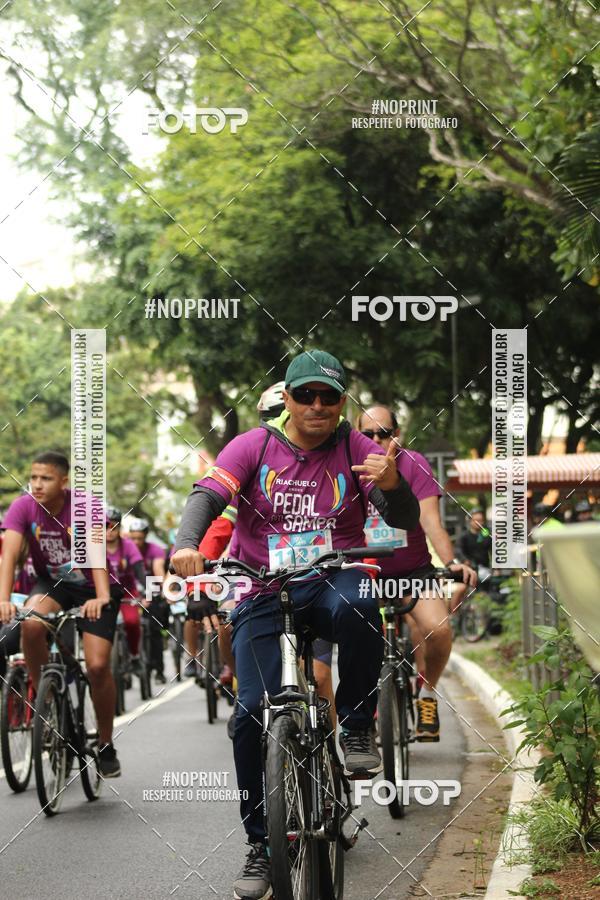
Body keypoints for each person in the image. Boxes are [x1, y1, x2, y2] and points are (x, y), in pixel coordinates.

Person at [171, 350, 420, 900]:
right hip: (261, 585)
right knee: (247, 719)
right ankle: (261, 844)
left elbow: (402, 517)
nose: (317, 406)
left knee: (362, 604)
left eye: (329, 397)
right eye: (305, 395)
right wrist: (188, 544)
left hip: (333, 576)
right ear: (286, 397)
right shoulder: (253, 445)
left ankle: (356, 726)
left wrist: (396, 484)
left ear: (340, 403)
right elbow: (208, 495)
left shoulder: (357, 447)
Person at [356, 405, 476, 742]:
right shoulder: (348, 466)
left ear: (398, 435)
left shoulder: (414, 463)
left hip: (413, 572)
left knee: (439, 631)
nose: (377, 440)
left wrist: (451, 563)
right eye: (369, 434)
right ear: (357, 435)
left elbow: (431, 522)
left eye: (385, 432)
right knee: (359, 640)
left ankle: (426, 693)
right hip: (365, 575)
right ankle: (368, 707)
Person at [0, 452, 124, 776]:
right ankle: (48, 703)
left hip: (92, 585)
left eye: (46, 478)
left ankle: (107, 745)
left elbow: (97, 557)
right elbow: (9, 556)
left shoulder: (83, 506)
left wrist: (101, 597)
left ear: (64, 482)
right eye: (34, 477)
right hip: (53, 585)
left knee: (97, 666)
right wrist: (3, 600)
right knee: (29, 623)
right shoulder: (22, 507)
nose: (37, 485)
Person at [105, 507, 146, 673]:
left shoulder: (129, 546)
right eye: (105, 527)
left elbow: (140, 572)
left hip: (127, 593)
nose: (109, 531)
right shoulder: (94, 545)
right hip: (104, 594)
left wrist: (147, 595)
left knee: (132, 622)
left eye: (113, 527)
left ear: (119, 528)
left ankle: (135, 655)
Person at [128, 517, 168, 683]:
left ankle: (158, 670)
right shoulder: (125, 547)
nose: (136, 542)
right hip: (130, 589)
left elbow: (158, 570)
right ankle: (124, 667)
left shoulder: (155, 550)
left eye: (140, 538)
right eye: (133, 538)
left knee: (153, 630)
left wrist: (165, 588)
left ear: (146, 536)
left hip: (151, 587)